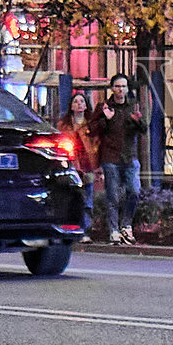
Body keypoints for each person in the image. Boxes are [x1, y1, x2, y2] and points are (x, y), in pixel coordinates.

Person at [87, 72, 145, 244]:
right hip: (110, 157)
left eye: (124, 86)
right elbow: (93, 129)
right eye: (118, 86)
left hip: (130, 156)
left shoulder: (133, 106)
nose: (121, 89)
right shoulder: (104, 107)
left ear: (127, 89)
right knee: (112, 196)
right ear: (112, 88)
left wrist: (137, 121)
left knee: (134, 191)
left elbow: (143, 130)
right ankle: (113, 230)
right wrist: (106, 118)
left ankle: (126, 225)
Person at [57, 91, 100, 240]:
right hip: (70, 165)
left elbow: (96, 144)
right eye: (76, 102)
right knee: (71, 199)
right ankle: (70, 229)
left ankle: (85, 231)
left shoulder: (91, 124)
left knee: (87, 201)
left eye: (82, 102)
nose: (79, 104)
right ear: (71, 106)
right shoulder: (64, 125)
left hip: (87, 165)